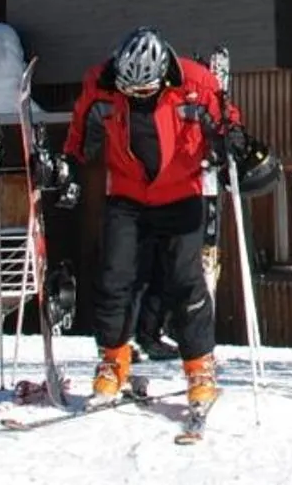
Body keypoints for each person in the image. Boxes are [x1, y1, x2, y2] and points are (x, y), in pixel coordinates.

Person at [48, 27, 274, 408]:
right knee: (114, 278)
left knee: (186, 283)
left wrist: (231, 139)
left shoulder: (195, 83)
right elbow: (80, 134)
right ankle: (112, 362)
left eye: (145, 89)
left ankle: (199, 368)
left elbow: (224, 122)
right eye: (130, 90)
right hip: (126, 195)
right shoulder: (100, 84)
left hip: (180, 194)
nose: (137, 96)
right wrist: (67, 165)